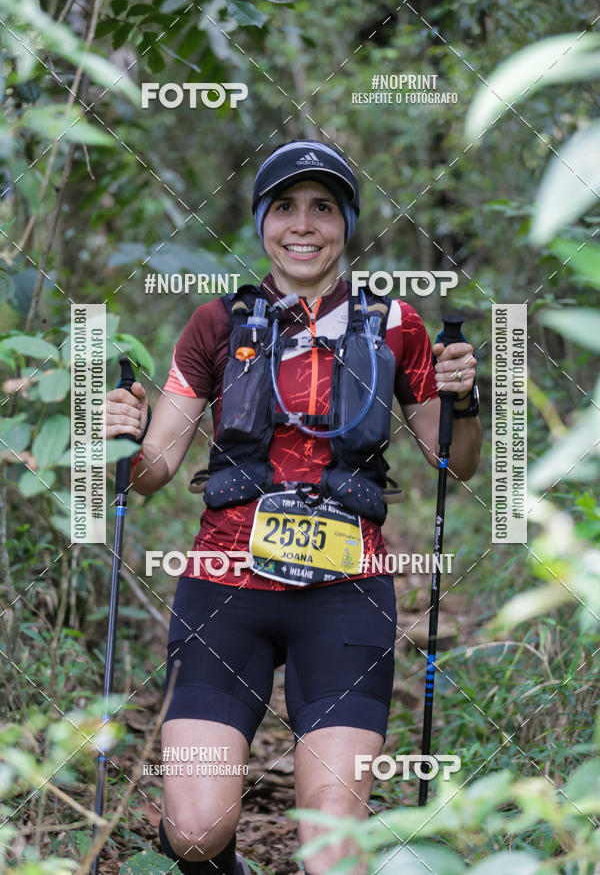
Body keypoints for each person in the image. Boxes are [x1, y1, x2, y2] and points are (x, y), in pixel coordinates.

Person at [105, 139, 481, 875]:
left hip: (346, 594)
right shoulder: (216, 324)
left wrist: (464, 399)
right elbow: (153, 471)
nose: (303, 225)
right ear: (261, 223)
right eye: (284, 207)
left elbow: (454, 462)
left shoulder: (397, 325)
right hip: (223, 588)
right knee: (194, 833)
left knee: (332, 851)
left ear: (346, 224)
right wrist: (117, 434)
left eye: (323, 208)